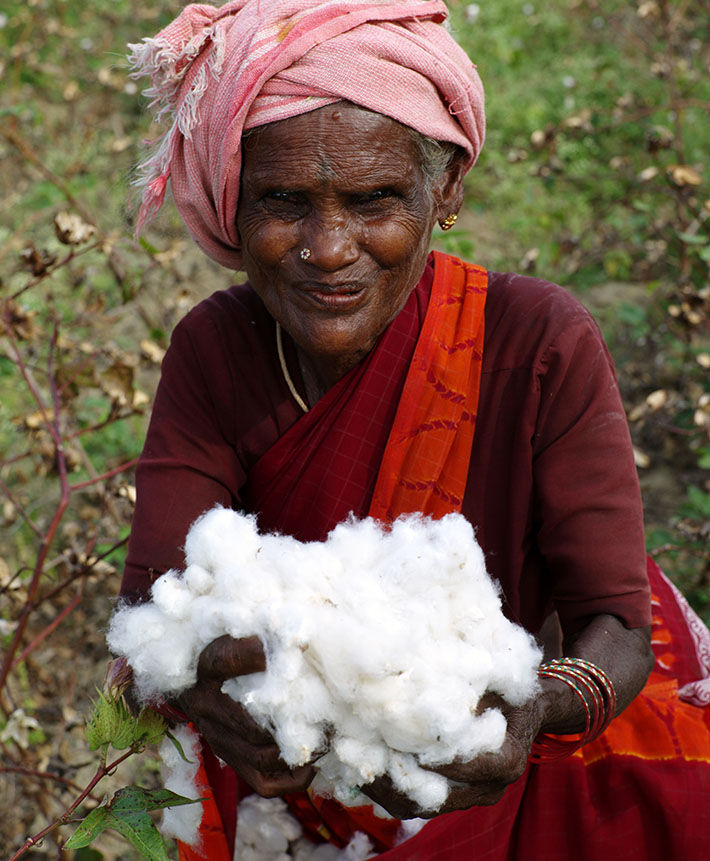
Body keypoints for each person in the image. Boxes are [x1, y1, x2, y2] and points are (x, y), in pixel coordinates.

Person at [120, 1, 710, 858]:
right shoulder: (217, 352)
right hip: (297, 794)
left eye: (374, 200)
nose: (329, 247)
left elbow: (614, 623)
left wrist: (535, 707)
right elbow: (152, 612)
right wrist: (217, 699)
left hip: (511, 761)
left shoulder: (535, 341)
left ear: (446, 193)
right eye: (283, 200)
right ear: (231, 202)